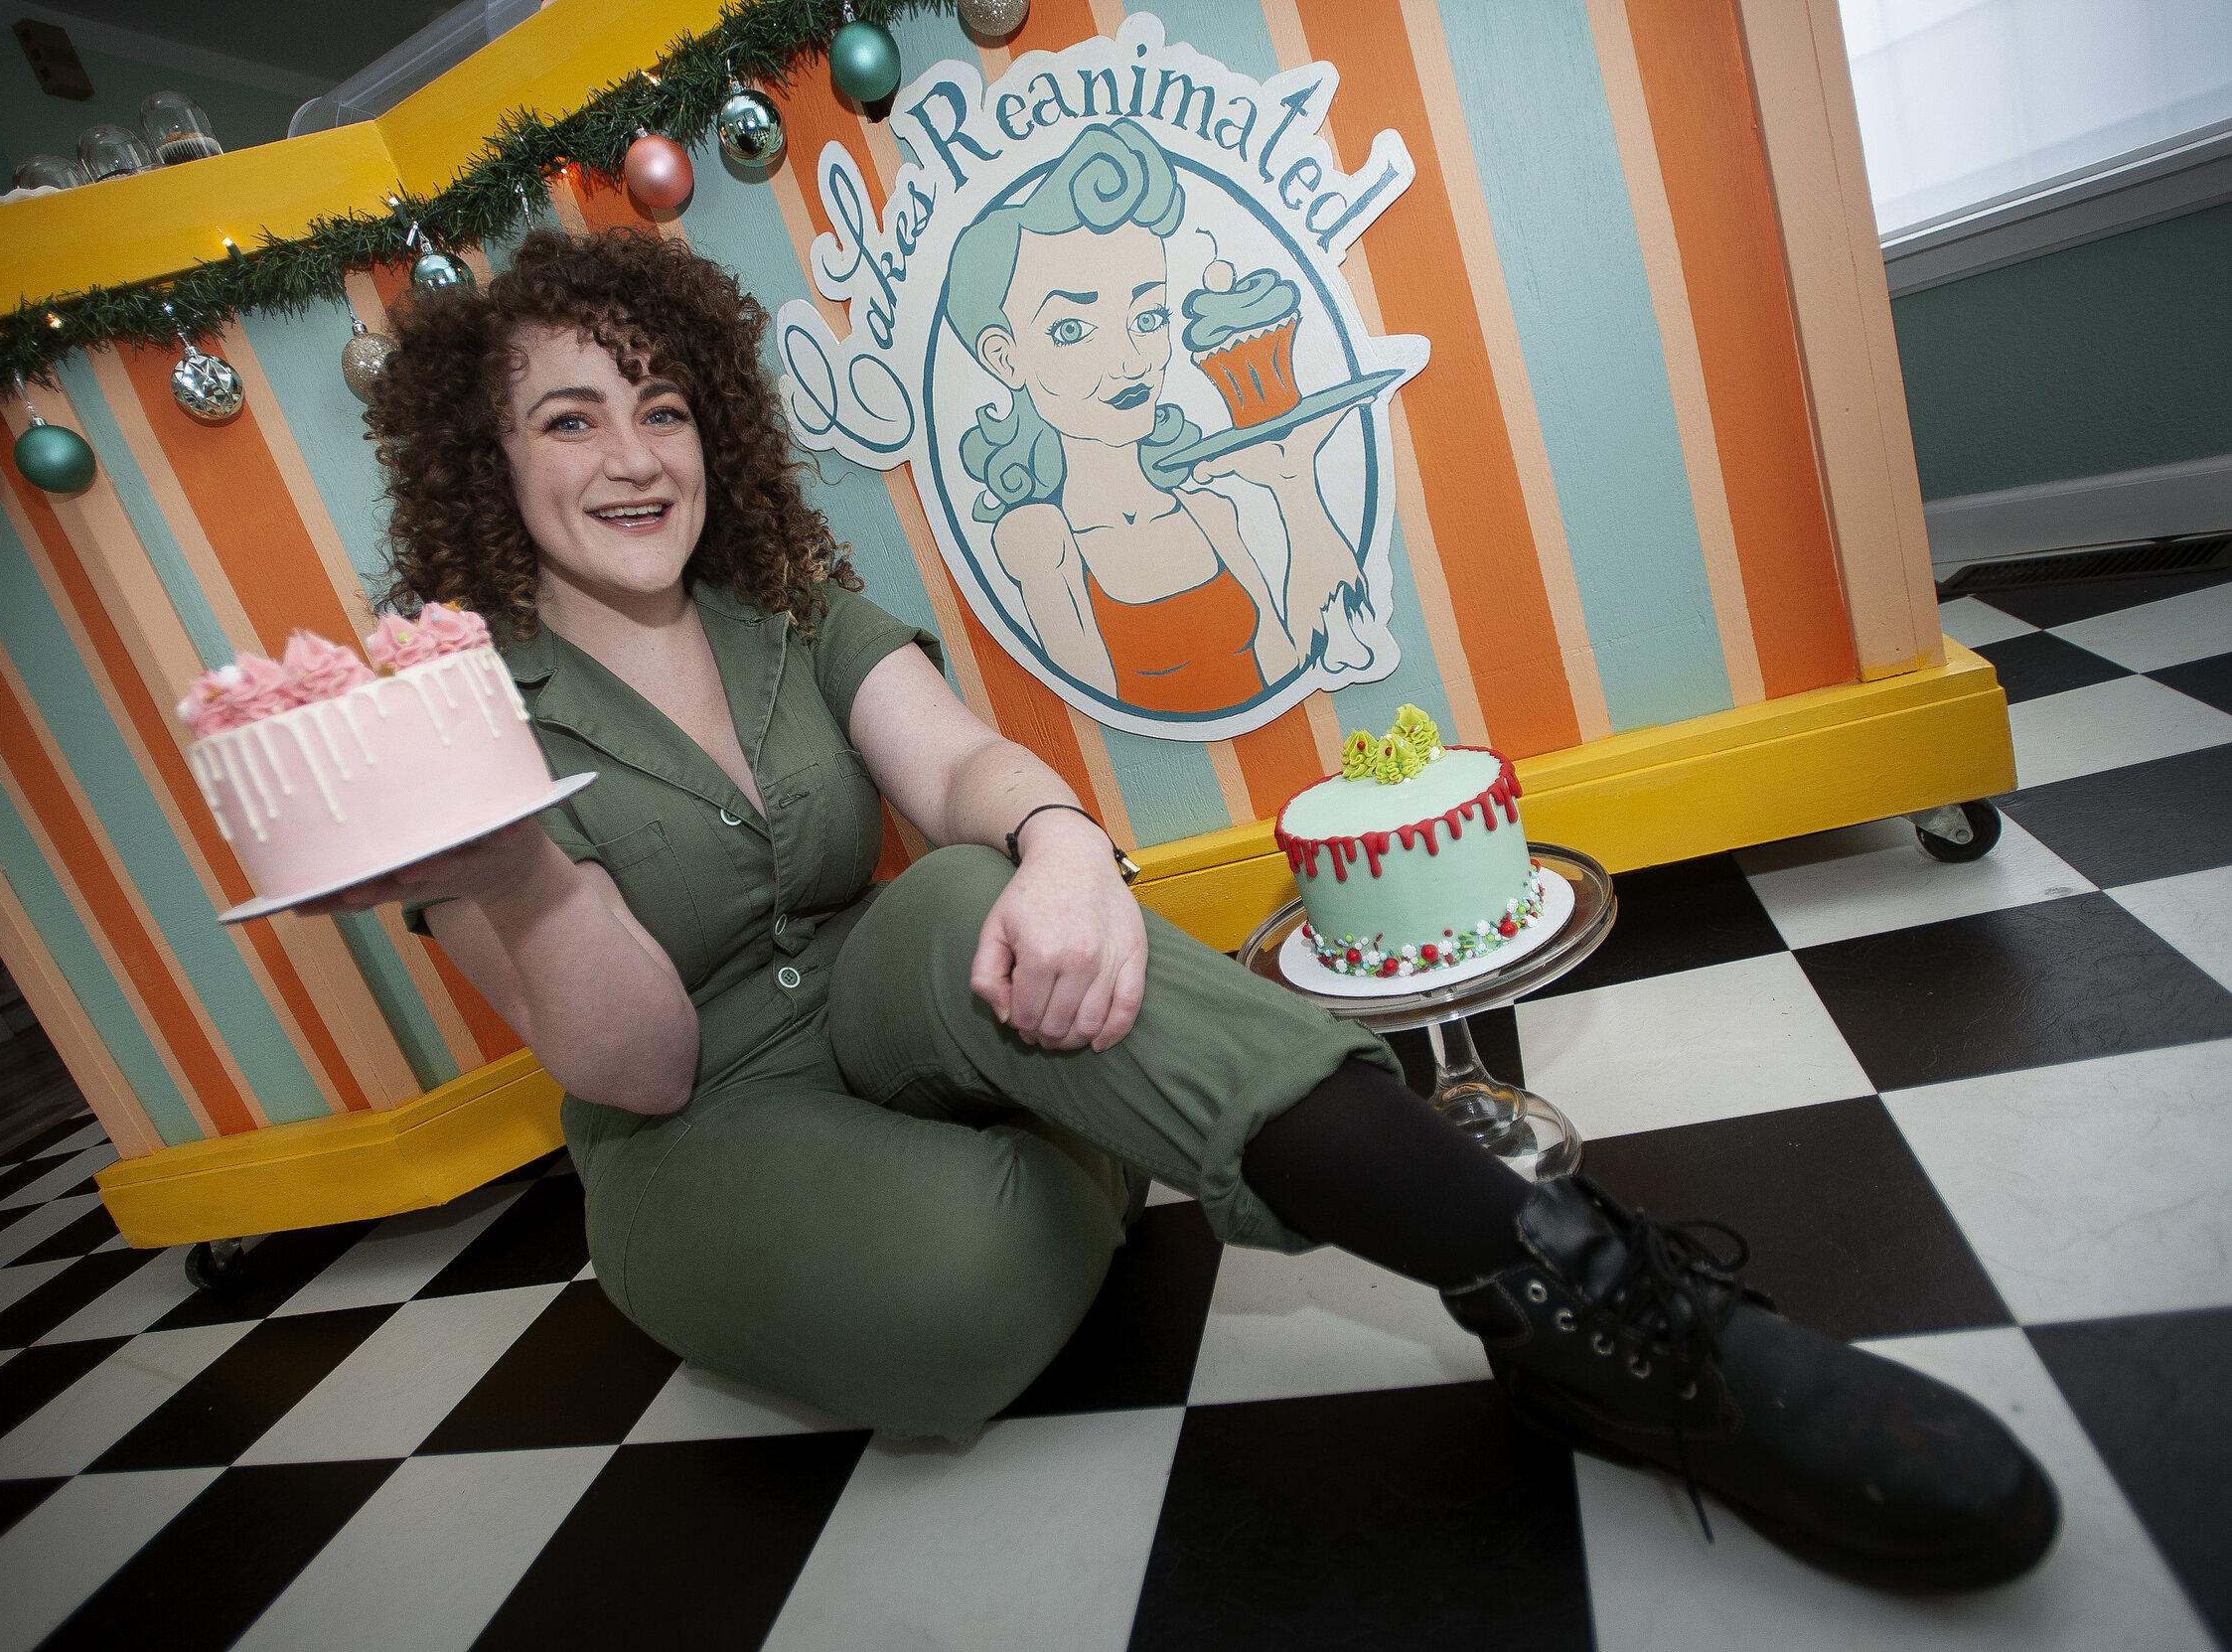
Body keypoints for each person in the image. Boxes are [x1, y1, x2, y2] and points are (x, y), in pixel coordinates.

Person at [306, 225, 2056, 1593]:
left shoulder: (792, 612)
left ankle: (1591, 1292)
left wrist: (1069, 850)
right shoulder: (446, 722)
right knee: (963, 1285)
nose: (634, 453)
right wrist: (516, 862)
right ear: (487, 460)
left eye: (663, 404)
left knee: (988, 892)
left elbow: (963, 770)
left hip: (878, 993)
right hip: (700, 1127)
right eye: (570, 415)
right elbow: (648, 1060)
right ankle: (1113, 1119)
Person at [945, 121, 1365, 713]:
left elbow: (1294, 663)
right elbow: (1106, 715)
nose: (1130, 362)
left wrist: (1293, 483)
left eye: (1147, 317)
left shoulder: (1208, 509)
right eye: (1072, 329)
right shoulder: (1040, 538)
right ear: (1004, 356)